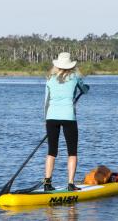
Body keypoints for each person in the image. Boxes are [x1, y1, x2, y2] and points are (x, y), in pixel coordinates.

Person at [44, 52, 89, 191]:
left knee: (51, 151)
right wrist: (86, 88)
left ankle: (47, 183)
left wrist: (46, 119)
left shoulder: (50, 79)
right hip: (69, 117)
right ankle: (70, 184)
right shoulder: (75, 77)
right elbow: (84, 90)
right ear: (70, 65)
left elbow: (46, 102)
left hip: (51, 117)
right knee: (72, 152)